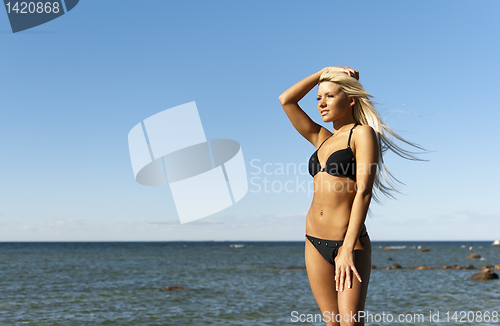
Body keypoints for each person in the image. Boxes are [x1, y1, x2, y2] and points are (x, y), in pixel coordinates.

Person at [279, 66, 424, 326]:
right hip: (313, 241)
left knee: (350, 323)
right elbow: (286, 100)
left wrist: (346, 248)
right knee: (331, 322)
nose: (321, 104)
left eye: (330, 96)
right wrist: (322, 72)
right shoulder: (321, 138)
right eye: (318, 98)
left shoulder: (362, 134)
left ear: (351, 99)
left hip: (349, 242)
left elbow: (364, 193)